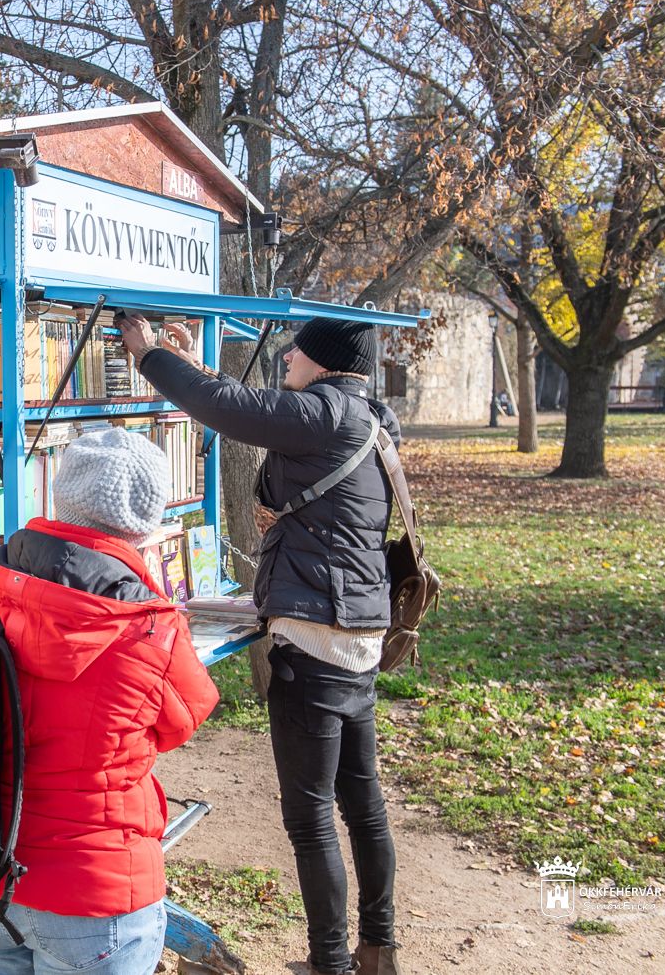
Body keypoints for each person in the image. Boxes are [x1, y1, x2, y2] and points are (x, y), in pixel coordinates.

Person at [118, 314, 403, 975]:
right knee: (363, 806)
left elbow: (231, 409)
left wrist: (151, 356)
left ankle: (329, 965)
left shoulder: (324, 414)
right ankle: (378, 952)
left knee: (310, 815)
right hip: (358, 631)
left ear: (323, 360)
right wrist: (196, 365)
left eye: (297, 349)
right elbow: (252, 405)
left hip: (317, 636)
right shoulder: (368, 415)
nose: (287, 357)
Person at [0, 428, 218, 975]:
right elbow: (183, 720)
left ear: (60, 498)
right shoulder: (152, 627)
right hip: (94, 888)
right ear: (147, 522)